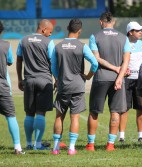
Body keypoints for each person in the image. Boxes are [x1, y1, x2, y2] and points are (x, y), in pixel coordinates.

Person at [51, 19, 98, 155]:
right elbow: (94, 63)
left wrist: (58, 79)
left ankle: (55, 148)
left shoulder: (58, 46)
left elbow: (53, 67)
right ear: (80, 31)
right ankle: (71, 148)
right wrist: (88, 76)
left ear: (67, 28)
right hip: (77, 85)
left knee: (59, 116)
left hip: (63, 85)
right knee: (74, 117)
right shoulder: (82, 46)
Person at [85, 11, 131, 151]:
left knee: (94, 111)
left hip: (100, 78)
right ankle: (110, 144)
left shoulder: (95, 36)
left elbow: (96, 58)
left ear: (101, 22)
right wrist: (119, 75)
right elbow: (126, 61)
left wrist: (114, 68)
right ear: (114, 22)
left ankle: (90, 145)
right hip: (118, 80)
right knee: (115, 111)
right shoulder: (124, 38)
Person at [16, 19, 55, 150]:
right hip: (44, 81)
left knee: (29, 113)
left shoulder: (23, 40)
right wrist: (57, 80)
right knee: (40, 113)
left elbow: (19, 60)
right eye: (50, 31)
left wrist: (20, 79)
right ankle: (38, 144)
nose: (50, 34)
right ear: (44, 29)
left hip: (29, 80)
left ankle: (28, 143)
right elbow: (53, 63)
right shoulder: (49, 42)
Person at [118, 21, 142, 143]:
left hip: (140, 80)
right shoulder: (122, 44)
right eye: (137, 30)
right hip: (125, 80)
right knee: (124, 108)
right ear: (130, 32)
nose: (140, 32)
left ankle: (141, 135)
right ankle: (121, 136)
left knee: (140, 108)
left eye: (140, 30)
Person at [0, 21, 25, 154]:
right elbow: (9, 61)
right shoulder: (6, 45)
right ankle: (17, 147)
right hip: (3, 87)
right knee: (11, 116)